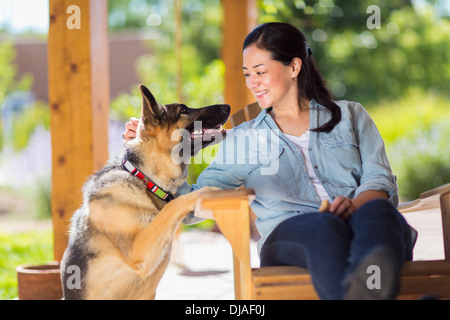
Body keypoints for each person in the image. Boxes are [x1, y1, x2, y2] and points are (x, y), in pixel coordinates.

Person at [123, 22, 415, 300]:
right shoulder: (242, 140)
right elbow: (189, 208)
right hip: (294, 239)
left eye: (260, 71)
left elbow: (379, 180)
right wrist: (150, 148)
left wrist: (353, 206)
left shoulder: (351, 116)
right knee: (323, 226)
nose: (253, 83)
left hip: (365, 229)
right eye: (247, 74)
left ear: (294, 67)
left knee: (380, 212)